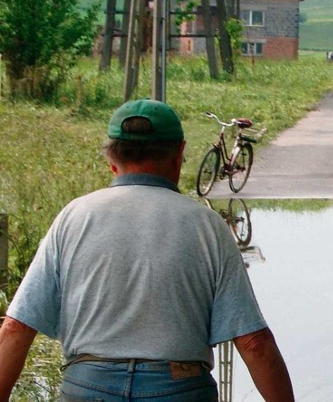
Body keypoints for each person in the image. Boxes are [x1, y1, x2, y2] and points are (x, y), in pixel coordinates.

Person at [0, 99, 294, 401]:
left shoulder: (73, 218)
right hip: (179, 389)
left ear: (111, 159)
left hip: (89, 386)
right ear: (178, 154)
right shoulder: (208, 227)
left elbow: (15, 328)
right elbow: (254, 342)